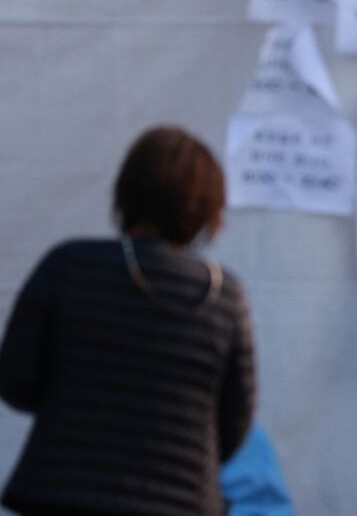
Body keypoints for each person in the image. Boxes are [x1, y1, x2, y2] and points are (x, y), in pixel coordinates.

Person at [0, 126, 255, 515]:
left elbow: (15, 383)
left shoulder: (68, 265)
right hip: (181, 500)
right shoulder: (224, 297)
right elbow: (234, 427)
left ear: (125, 192)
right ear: (209, 207)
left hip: (60, 494)